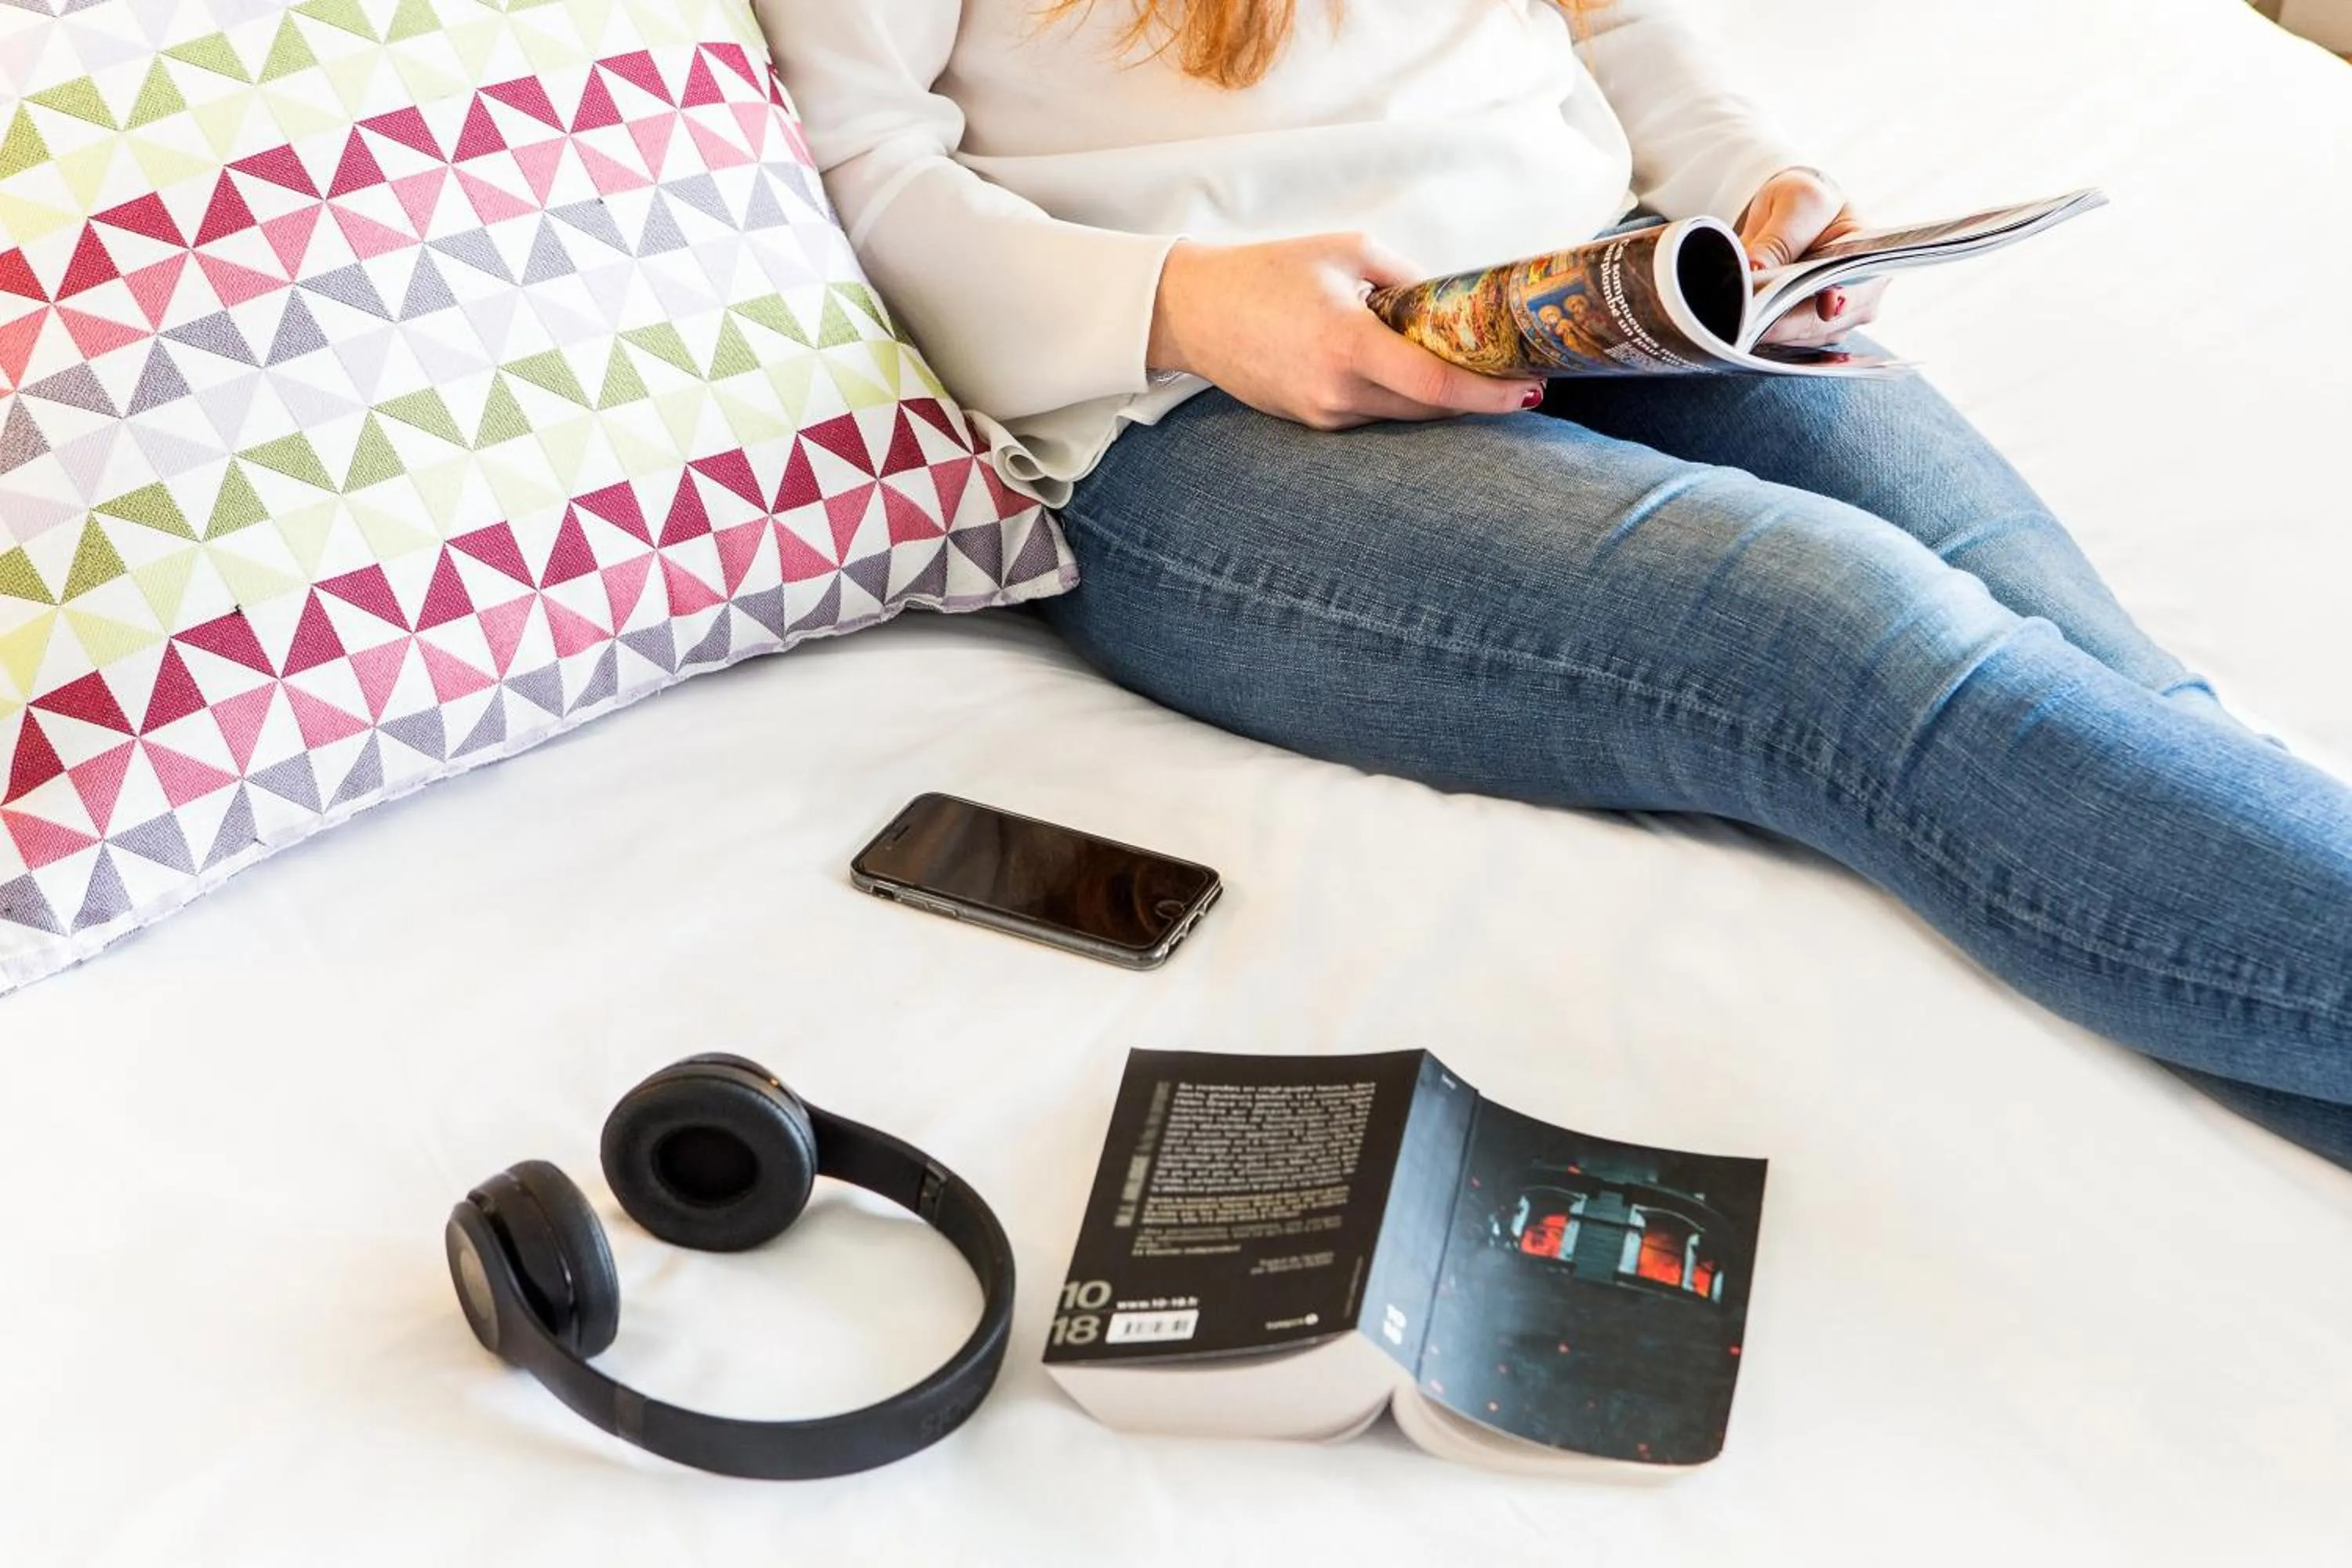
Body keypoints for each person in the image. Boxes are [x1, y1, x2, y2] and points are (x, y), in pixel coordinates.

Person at [765, 1, 2352, 1163]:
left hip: (1596, 278)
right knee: (1850, 641)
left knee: (2125, 693)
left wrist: (1752, 183)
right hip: (1186, 404)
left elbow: (1606, 19)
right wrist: (1183, 302)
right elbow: (848, 171)